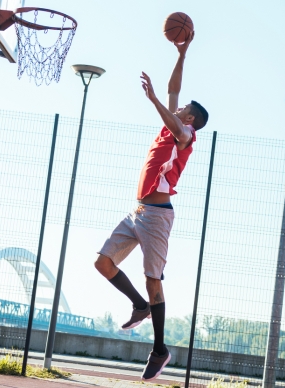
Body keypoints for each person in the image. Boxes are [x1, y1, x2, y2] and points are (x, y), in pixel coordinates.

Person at [93, 31, 209, 381]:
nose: (179, 105)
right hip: (138, 212)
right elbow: (175, 88)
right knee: (102, 263)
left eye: (184, 108)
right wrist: (181, 54)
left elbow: (172, 112)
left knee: (153, 282)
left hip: (158, 217)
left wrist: (154, 99)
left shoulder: (185, 136)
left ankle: (160, 350)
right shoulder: (170, 127)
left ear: (189, 119)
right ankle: (139, 306)